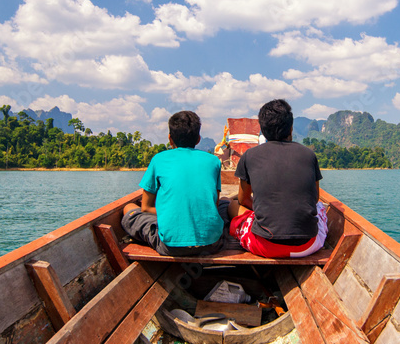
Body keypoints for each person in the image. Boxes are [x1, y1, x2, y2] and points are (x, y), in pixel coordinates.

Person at [228, 99, 327, 258]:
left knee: (232, 205)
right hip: (308, 245)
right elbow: (314, 199)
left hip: (265, 246)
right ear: (291, 128)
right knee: (321, 206)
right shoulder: (309, 155)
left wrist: (264, 209)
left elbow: (243, 200)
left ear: (262, 129)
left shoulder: (250, 156)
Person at [122, 111, 228, 256]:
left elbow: (146, 208)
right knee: (225, 204)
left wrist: (172, 212)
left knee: (129, 208)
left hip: (171, 247)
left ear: (170, 139)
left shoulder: (159, 159)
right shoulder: (213, 161)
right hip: (212, 244)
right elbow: (213, 205)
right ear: (198, 139)